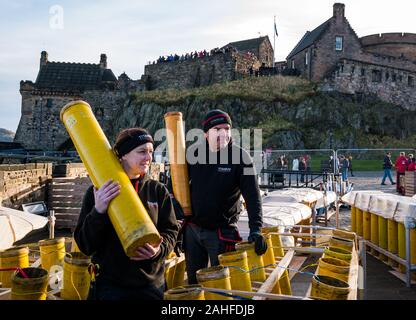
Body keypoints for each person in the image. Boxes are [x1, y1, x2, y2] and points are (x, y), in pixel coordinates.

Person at [74, 128, 179, 300]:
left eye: (151, 151)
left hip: (151, 285)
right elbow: (85, 245)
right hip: (110, 287)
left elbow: (171, 231)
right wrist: (98, 211)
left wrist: (158, 251)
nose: (149, 158)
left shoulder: (157, 190)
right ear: (123, 155)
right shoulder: (100, 192)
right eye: (142, 151)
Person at [184, 109, 267, 284]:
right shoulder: (193, 154)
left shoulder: (240, 157)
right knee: (193, 282)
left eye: (227, 129)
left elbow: (252, 196)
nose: (224, 133)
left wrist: (256, 229)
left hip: (221, 233)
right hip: (193, 229)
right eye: (217, 129)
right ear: (206, 133)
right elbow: (176, 188)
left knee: (222, 286)